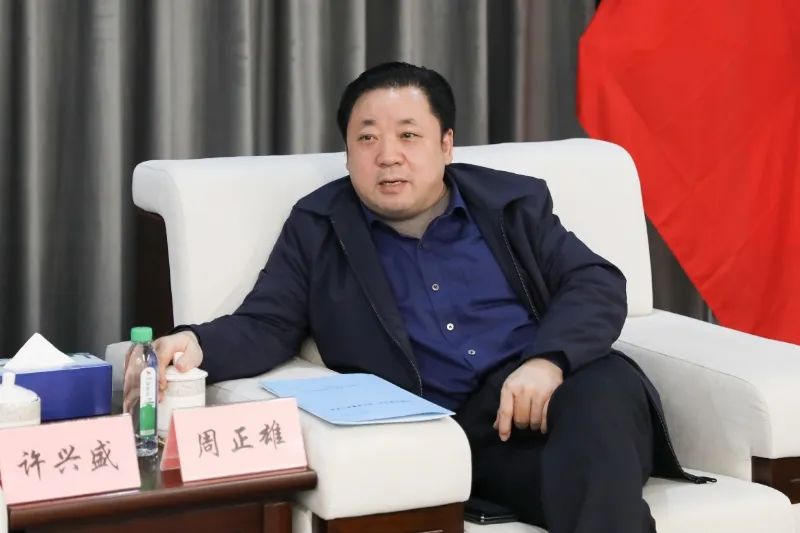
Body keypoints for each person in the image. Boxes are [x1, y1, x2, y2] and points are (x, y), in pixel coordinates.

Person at [125, 62, 709, 533]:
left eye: (409, 135)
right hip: (467, 437)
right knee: (587, 479)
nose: (388, 155)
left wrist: (546, 362)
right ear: (347, 151)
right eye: (367, 138)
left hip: (566, 393)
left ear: (446, 144)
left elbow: (596, 281)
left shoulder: (511, 204)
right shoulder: (319, 226)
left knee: (600, 402)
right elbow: (267, 323)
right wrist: (193, 343)